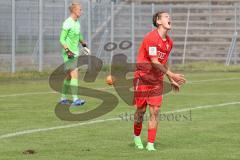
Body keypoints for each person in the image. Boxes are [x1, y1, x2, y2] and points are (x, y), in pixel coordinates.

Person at [133, 11, 186, 151]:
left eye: (170, 16)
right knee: (140, 111)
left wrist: (170, 79)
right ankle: (136, 136)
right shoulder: (151, 38)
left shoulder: (169, 42)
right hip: (143, 78)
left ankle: (150, 144)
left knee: (155, 111)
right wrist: (173, 75)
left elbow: (163, 62)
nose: (170, 18)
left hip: (157, 80)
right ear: (158, 21)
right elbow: (155, 62)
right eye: (166, 16)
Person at [59, 2, 89, 106]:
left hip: (74, 53)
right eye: (80, 9)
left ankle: (62, 98)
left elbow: (78, 34)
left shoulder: (77, 22)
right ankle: (76, 99)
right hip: (68, 54)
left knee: (69, 77)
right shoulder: (68, 22)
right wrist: (68, 51)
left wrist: (83, 43)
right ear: (74, 11)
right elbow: (62, 39)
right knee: (75, 74)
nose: (81, 11)